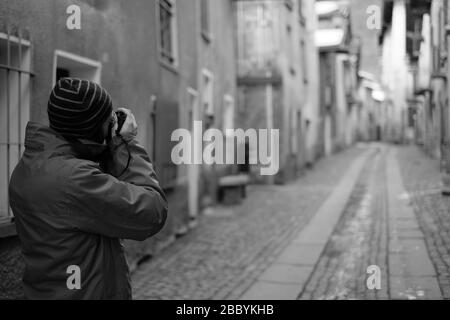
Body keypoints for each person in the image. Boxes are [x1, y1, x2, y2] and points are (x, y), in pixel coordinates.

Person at [8, 78, 168, 299]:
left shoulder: (30, 166)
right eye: (107, 121)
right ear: (92, 131)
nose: (111, 124)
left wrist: (107, 146)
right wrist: (124, 145)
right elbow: (152, 211)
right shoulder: (75, 179)